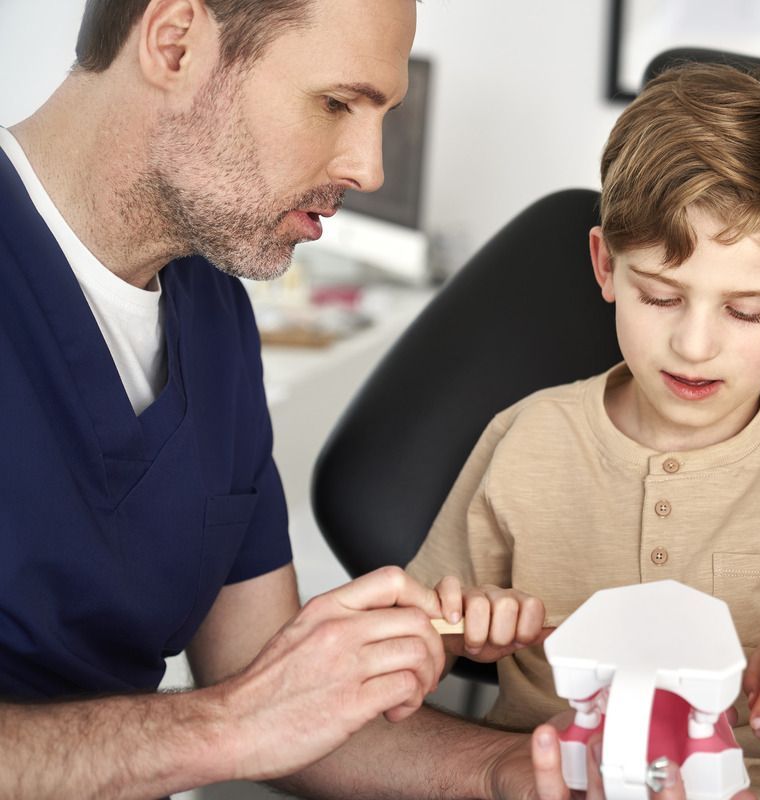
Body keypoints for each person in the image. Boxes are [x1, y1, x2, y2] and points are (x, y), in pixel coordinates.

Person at [0, 2, 652, 798]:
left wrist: (504, 771)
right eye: (337, 103)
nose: (370, 170)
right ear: (175, 45)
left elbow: (271, 687)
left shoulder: (211, 312)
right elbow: (254, 712)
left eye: (381, 113)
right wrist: (228, 725)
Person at [406, 62, 760, 800]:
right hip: (546, 780)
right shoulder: (527, 436)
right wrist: (461, 628)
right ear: (605, 267)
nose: (695, 344)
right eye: (659, 296)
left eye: (745, 312)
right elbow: (425, 627)